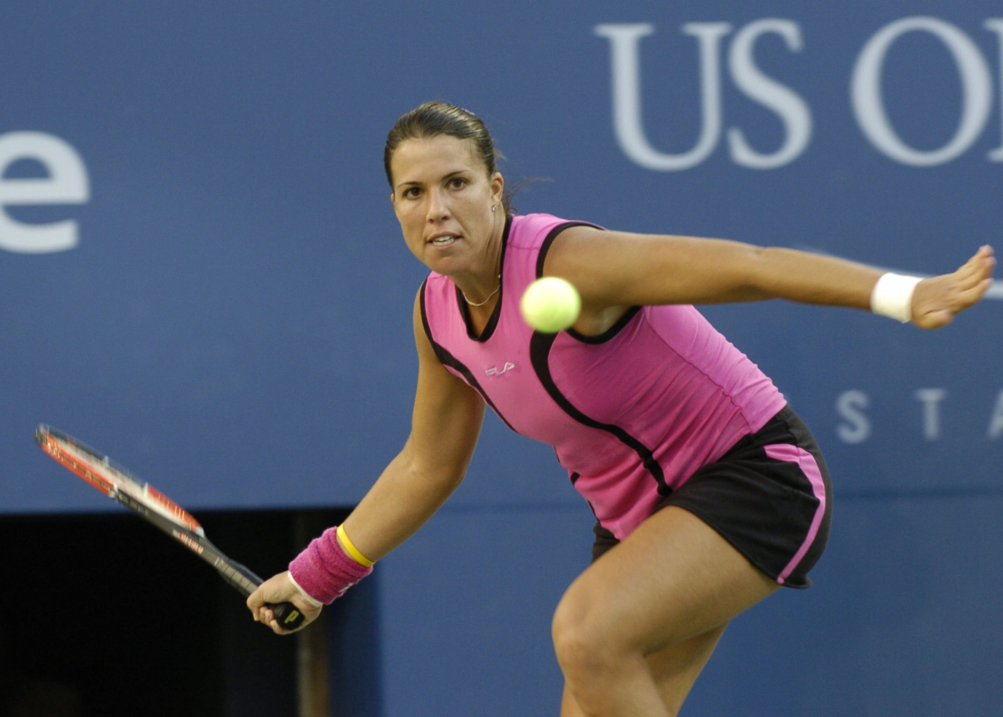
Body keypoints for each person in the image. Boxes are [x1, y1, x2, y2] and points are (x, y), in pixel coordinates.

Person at [247, 101, 996, 716]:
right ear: (395, 207)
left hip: (756, 475)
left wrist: (900, 293)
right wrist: (317, 576)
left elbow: (749, 267)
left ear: (496, 188)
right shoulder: (436, 314)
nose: (437, 209)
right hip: (642, 519)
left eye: (456, 183)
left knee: (586, 630)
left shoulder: (568, 260)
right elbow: (427, 464)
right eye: (414, 193)